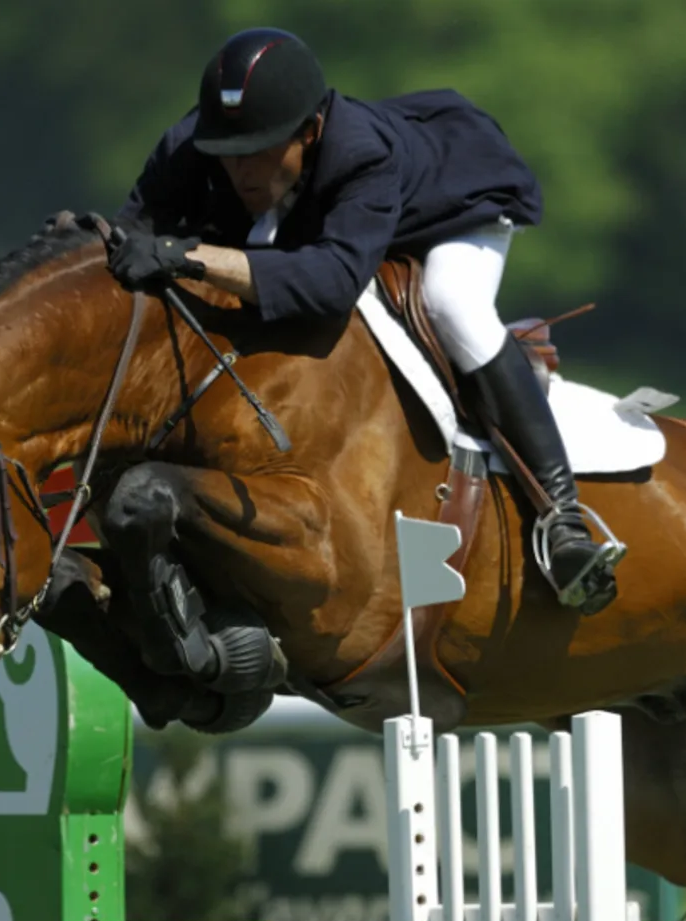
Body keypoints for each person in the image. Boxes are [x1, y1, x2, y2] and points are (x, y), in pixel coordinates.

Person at [108, 26, 619, 615]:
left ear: (309, 131)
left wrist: (190, 257)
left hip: (455, 203)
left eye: (258, 151)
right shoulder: (195, 144)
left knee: (452, 304)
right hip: (339, 214)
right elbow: (130, 235)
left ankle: (564, 519)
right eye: (226, 151)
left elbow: (330, 284)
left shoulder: (360, 155)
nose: (238, 170)